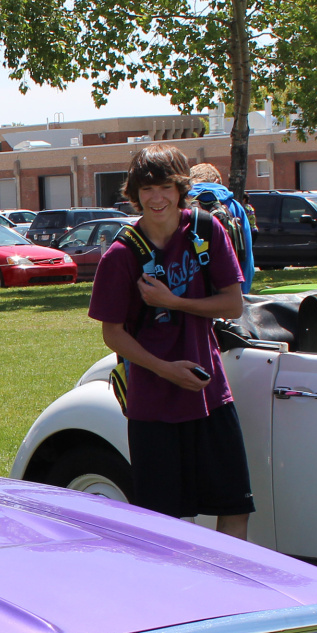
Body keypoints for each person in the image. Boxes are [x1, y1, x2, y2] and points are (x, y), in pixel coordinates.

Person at [88, 145, 251, 538]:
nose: (156, 198)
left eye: (164, 187)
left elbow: (233, 304)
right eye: (146, 189)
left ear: (180, 189)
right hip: (153, 409)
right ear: (134, 193)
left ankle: (228, 595)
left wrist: (172, 301)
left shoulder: (205, 230)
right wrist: (165, 370)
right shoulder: (120, 256)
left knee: (235, 507)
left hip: (211, 397)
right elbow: (112, 334)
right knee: (163, 527)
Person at [187, 162, 257, 293]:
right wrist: (243, 294)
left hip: (191, 292)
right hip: (228, 290)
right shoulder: (234, 206)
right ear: (217, 181)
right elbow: (246, 257)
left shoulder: (183, 204)